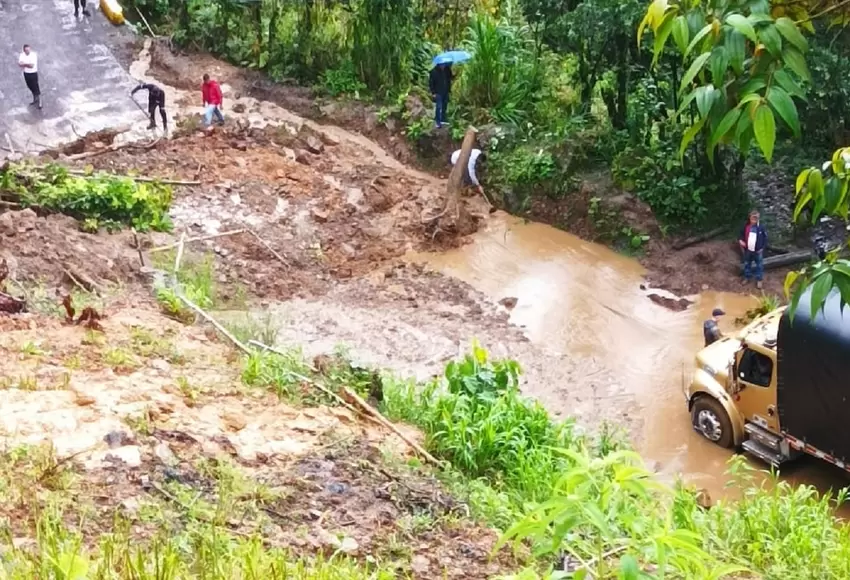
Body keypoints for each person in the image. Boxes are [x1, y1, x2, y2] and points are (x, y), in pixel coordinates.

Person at [738, 210, 768, 289]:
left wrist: (762, 248)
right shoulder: (745, 226)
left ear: (758, 218)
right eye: (753, 217)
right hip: (748, 250)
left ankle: (759, 280)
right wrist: (741, 241)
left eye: (756, 217)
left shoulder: (761, 227)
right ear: (750, 217)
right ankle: (747, 277)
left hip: (758, 251)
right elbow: (741, 235)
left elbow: (765, 238)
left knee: (759, 266)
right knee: (747, 264)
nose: (754, 219)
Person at [429, 63, 453, 128]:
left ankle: (443, 119)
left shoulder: (447, 70)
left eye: (444, 64)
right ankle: (437, 121)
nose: (443, 66)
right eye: (442, 64)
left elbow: (450, 78)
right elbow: (431, 83)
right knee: (439, 106)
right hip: (438, 92)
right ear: (439, 64)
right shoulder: (434, 71)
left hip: (446, 91)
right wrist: (433, 92)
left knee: (445, 105)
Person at [18, 44, 41, 110]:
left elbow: (31, 66)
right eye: (26, 50)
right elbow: (19, 64)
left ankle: (40, 101)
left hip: (33, 73)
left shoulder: (33, 55)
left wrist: (24, 64)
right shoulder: (22, 55)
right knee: (29, 86)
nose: (28, 51)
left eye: (29, 50)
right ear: (24, 51)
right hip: (26, 73)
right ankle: (35, 99)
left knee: (35, 86)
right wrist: (27, 64)